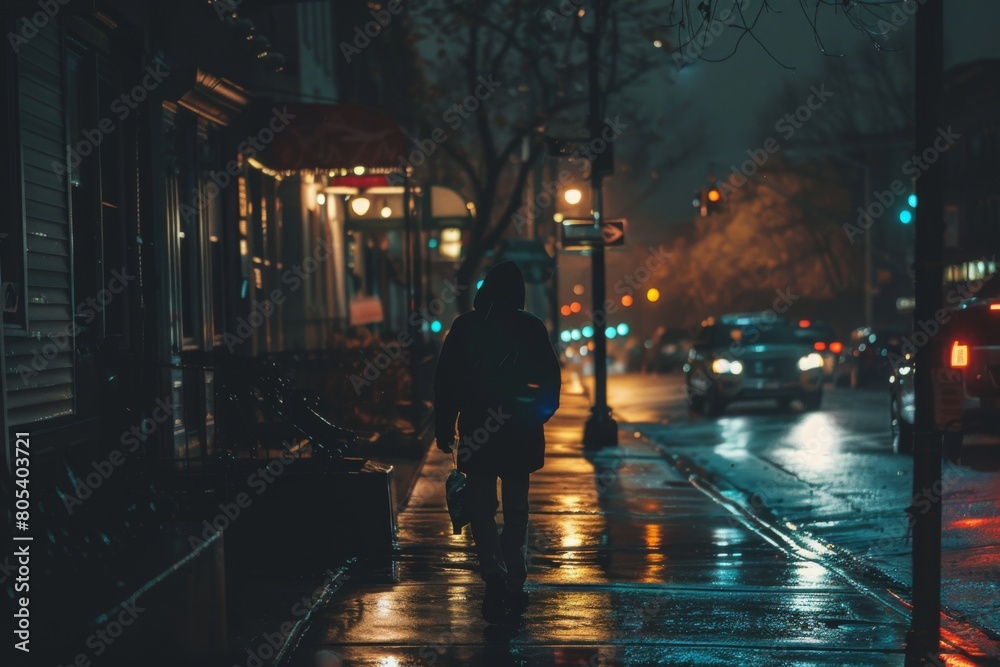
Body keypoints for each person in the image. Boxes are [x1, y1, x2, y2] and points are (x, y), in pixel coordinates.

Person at [433, 261, 561, 624]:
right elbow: (550, 381)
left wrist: (445, 427)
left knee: (480, 508)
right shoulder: (531, 328)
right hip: (519, 434)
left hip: (478, 432)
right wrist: (537, 415)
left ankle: (494, 573)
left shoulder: (466, 327)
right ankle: (514, 583)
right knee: (516, 511)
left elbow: (446, 383)